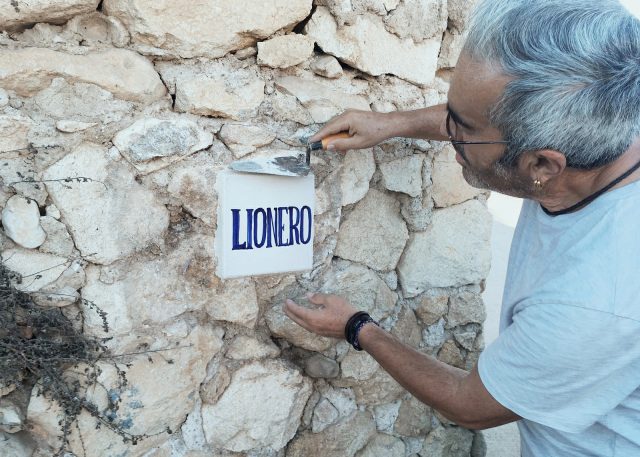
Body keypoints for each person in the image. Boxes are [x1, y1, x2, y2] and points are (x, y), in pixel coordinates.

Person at [283, 0, 640, 455]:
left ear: (542, 165)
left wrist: (357, 327)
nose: (449, 132)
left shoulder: (595, 303)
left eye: (461, 127)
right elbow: (487, 122)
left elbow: (472, 405)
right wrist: (393, 123)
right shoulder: (612, 119)